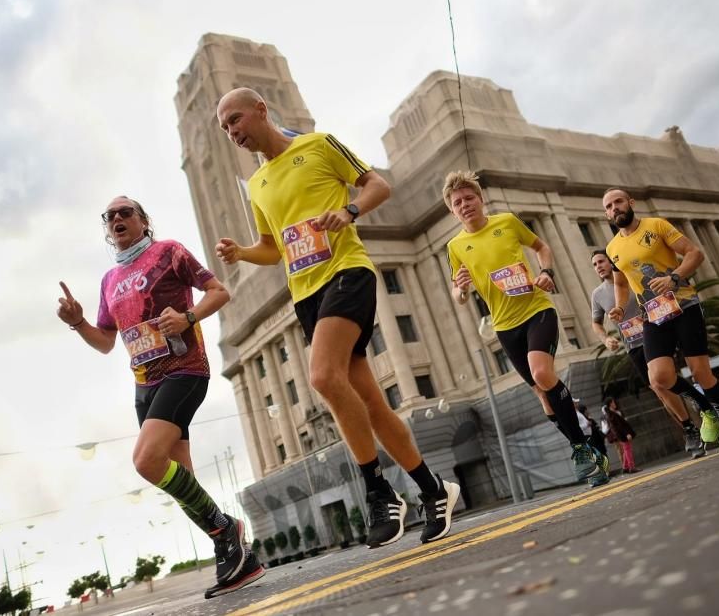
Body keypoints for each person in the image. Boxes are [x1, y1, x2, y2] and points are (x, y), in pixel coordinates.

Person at [214, 88, 460, 547]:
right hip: (305, 295)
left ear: (261, 109)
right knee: (369, 402)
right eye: (225, 128)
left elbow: (378, 185)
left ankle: (377, 490)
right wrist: (242, 252)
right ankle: (433, 489)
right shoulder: (259, 186)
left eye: (236, 119)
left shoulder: (318, 144)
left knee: (323, 377)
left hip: (347, 272)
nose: (232, 132)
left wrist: (349, 211)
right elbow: (274, 247)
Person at [56, 196, 263, 597]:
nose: (117, 218)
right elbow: (104, 343)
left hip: (184, 370)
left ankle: (227, 529)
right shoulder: (109, 281)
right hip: (144, 385)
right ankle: (240, 561)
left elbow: (219, 293)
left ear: (143, 220)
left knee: (146, 461)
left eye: (125, 212)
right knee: (181, 480)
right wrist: (78, 321)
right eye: (110, 215)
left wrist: (187, 317)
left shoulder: (168, 252)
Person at [442, 170, 610, 488]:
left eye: (468, 198)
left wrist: (545, 271)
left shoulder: (506, 222)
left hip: (537, 310)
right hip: (505, 326)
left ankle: (580, 450)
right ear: (452, 210)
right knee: (545, 398)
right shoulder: (455, 246)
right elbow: (458, 295)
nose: (464, 205)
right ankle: (589, 441)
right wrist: (461, 289)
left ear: (480, 200)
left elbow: (542, 247)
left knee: (542, 375)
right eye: (457, 203)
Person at [603, 188, 719, 452]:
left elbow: (694, 253)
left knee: (701, 371)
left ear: (630, 203)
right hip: (653, 315)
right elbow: (621, 283)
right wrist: (621, 309)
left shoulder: (656, 225)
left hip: (684, 305)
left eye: (618, 202)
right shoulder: (612, 248)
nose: (615, 209)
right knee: (659, 378)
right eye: (609, 206)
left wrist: (674, 278)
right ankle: (706, 409)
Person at [589, 250, 710, 458]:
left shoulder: (632, 279)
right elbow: (596, 323)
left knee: (661, 381)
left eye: (601, 261)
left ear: (612, 263)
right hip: (632, 344)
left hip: (656, 333)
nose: (598, 266)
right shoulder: (598, 294)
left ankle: (698, 418)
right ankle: (693, 422)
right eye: (594, 264)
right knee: (660, 388)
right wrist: (606, 339)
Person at [601, 397, 637, 473]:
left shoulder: (611, 413)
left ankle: (625, 467)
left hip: (620, 434)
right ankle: (631, 467)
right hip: (623, 434)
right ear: (610, 404)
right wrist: (627, 433)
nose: (615, 404)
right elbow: (619, 426)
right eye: (613, 402)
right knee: (628, 450)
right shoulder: (613, 414)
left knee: (625, 449)